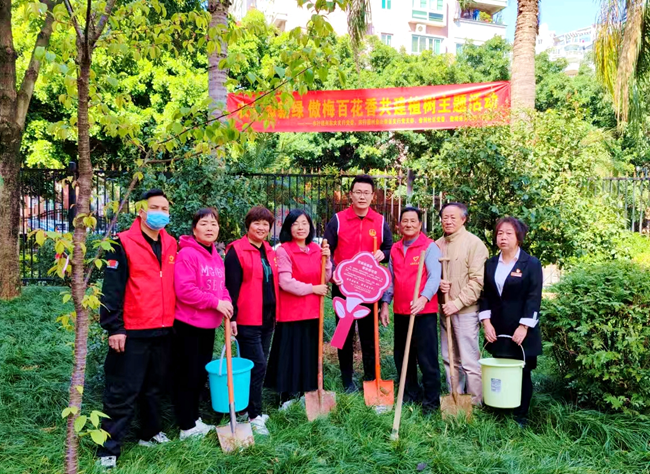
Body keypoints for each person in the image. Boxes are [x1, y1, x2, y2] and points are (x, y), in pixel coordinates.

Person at [97, 189, 177, 469]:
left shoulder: (171, 244)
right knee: (122, 391)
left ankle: (150, 432)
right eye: (154, 207)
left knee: (154, 388)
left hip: (163, 328)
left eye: (165, 208)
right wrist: (114, 327)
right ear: (140, 211)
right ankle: (108, 449)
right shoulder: (122, 243)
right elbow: (112, 290)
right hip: (131, 330)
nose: (160, 213)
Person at [323, 175, 393, 393]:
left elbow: (390, 248)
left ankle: (370, 378)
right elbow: (327, 251)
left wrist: (384, 252)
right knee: (343, 333)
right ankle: (347, 380)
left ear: (373, 196)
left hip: (369, 288)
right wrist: (333, 274)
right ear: (350, 195)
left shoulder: (380, 222)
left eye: (366, 193)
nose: (362, 196)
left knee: (369, 334)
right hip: (344, 287)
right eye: (358, 192)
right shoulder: (338, 220)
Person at [173, 208, 233, 440]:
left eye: (214, 224)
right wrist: (215, 302)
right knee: (187, 375)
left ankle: (194, 419)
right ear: (194, 228)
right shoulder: (187, 254)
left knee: (198, 375)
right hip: (189, 325)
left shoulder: (215, 256)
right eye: (204, 223)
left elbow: (221, 286)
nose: (210, 228)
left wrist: (226, 301)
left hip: (208, 325)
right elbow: (184, 290)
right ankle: (186, 427)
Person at [265, 210, 332, 408]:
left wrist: (327, 261)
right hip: (292, 312)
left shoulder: (317, 249)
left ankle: (307, 392)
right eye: (296, 224)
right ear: (288, 227)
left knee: (308, 353)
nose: (301, 227)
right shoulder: (283, 250)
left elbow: (326, 278)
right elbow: (285, 282)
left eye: (304, 223)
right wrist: (313, 289)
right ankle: (287, 396)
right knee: (291, 353)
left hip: (313, 311)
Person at [479, 217, 543, 427]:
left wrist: (524, 326)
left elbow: (534, 297)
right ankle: (498, 408)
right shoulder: (490, 264)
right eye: (499, 233)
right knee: (499, 370)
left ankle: (520, 416)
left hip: (521, 329)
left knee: (521, 372)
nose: (503, 237)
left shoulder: (531, 263)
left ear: (518, 237)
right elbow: (486, 294)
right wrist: (486, 323)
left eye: (508, 233)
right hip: (498, 328)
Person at [380, 207, 442, 414]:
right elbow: (390, 280)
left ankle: (431, 403)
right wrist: (385, 304)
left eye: (413, 221)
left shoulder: (429, 247)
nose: (408, 224)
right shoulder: (396, 249)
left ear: (420, 224)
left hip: (423, 312)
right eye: (404, 221)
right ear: (398, 225)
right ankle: (410, 395)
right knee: (402, 355)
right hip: (401, 312)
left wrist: (424, 298)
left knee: (427, 357)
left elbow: (434, 277)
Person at [224, 206, 279, 435]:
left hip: (267, 318)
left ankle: (249, 408)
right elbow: (231, 287)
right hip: (247, 319)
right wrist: (233, 317)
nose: (261, 227)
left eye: (266, 224)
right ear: (248, 225)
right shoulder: (236, 250)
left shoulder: (269, 250)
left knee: (257, 365)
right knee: (258, 365)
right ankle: (254, 414)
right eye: (257, 223)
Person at [437, 202, 489, 405]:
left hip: (465, 311)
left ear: (463, 219)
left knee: (469, 360)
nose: (448, 221)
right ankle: (456, 400)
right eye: (445, 217)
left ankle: (475, 404)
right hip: (445, 311)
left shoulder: (474, 244)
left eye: (453, 217)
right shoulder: (437, 244)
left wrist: (457, 303)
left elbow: (478, 281)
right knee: (449, 358)